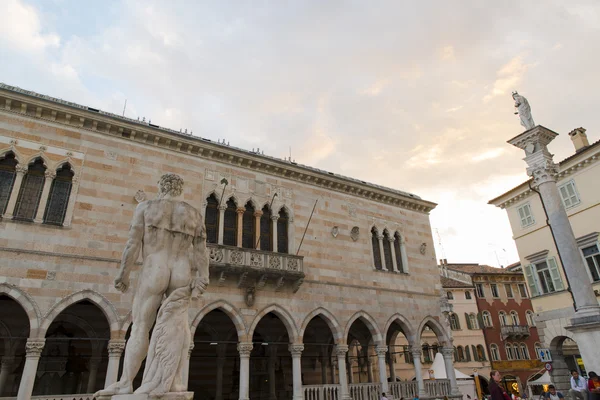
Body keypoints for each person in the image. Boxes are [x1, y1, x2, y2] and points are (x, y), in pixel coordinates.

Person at [96, 173, 210, 396]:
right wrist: (203, 277)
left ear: (161, 187)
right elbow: (201, 251)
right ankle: (174, 381)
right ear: (180, 189)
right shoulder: (193, 214)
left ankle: (126, 382)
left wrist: (123, 273)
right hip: (181, 270)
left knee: (140, 327)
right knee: (178, 327)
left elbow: (132, 244)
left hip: (154, 267)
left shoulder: (146, 208)